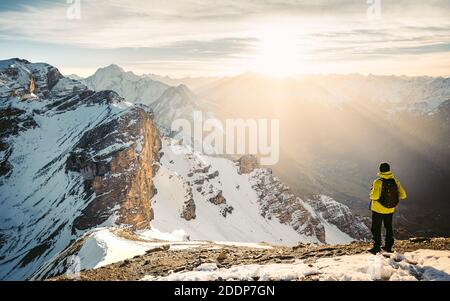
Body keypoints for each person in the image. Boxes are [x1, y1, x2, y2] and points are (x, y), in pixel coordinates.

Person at [368, 162, 407, 254]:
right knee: (388, 227)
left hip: (378, 209)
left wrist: (371, 193)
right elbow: (403, 195)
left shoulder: (378, 182)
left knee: (376, 228)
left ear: (380, 170)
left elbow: (374, 197)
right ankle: (388, 247)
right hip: (390, 209)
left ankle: (376, 247)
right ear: (389, 170)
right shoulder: (395, 181)